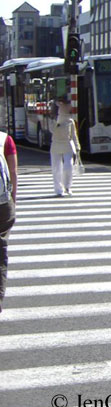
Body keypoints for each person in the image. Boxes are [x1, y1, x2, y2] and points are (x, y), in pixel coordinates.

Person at [50, 97, 80, 196]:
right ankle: (58, 189)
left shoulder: (70, 121)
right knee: (56, 168)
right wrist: (56, 122)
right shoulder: (54, 120)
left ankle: (67, 186)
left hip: (67, 144)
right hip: (56, 145)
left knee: (68, 166)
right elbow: (52, 130)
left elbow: (74, 135)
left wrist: (77, 146)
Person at [0, 128, 17, 313]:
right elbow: (13, 171)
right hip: (3, 204)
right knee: (0, 253)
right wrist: (13, 200)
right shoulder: (6, 139)